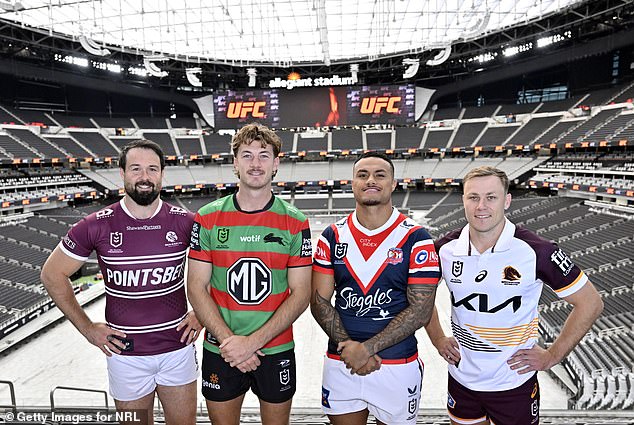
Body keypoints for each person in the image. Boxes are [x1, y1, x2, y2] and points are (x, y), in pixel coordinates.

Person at [427, 166, 604, 425]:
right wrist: (438, 338)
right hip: (461, 379)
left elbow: (590, 303)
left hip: (514, 383)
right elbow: (421, 297)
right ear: (463, 200)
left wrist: (553, 356)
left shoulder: (537, 251)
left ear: (506, 201)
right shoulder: (444, 249)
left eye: (491, 197)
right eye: (473, 197)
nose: (481, 206)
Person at [41, 140, 201, 425]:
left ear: (162, 174)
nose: (144, 177)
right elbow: (52, 275)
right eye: (136, 168)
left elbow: (221, 267)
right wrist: (87, 328)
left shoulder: (186, 221)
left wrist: (202, 314)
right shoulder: (96, 224)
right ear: (122, 173)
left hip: (177, 349)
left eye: (152, 169)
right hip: (126, 355)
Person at [187, 123, 313, 425]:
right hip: (222, 348)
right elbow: (196, 287)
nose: (255, 164)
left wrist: (252, 343)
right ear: (234, 163)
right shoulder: (207, 217)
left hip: (276, 347)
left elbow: (301, 294)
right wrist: (231, 342)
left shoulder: (296, 222)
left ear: (276, 163)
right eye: (247, 155)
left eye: (263, 155)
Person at [311, 151, 441, 425]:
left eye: (380, 175)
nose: (371, 180)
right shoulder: (332, 236)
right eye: (363, 175)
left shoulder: (416, 237)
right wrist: (350, 347)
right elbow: (319, 301)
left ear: (393, 183)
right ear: (352, 183)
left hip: (396, 365)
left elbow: (421, 310)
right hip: (342, 361)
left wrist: (367, 349)